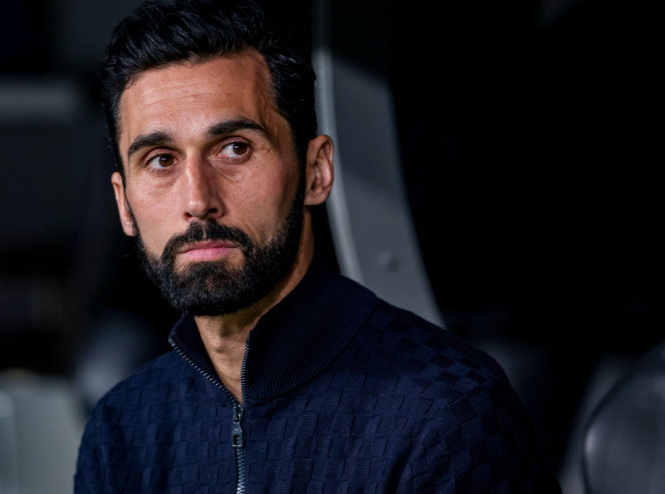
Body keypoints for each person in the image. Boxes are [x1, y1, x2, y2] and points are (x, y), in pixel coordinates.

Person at [75, 0, 561, 491]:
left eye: (235, 148)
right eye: (160, 160)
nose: (198, 199)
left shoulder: (449, 412)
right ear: (124, 204)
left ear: (316, 171)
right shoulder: (123, 429)